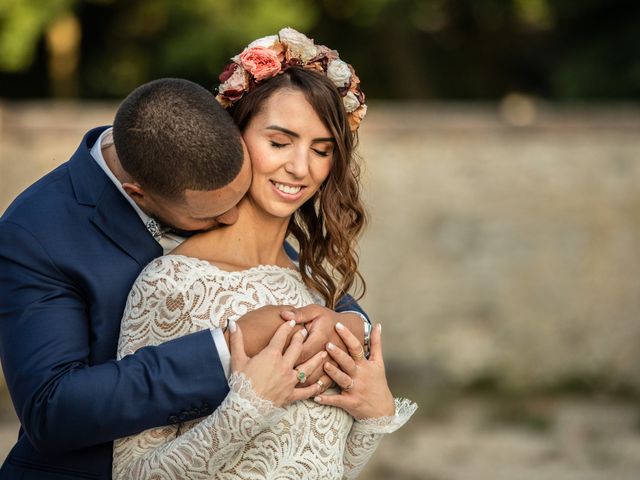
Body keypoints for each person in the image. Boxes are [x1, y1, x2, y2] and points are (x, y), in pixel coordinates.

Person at [0, 77, 368, 479]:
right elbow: (51, 410)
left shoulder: (194, 141)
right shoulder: (36, 234)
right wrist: (227, 347)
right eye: (209, 217)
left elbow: (276, 272)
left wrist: (351, 324)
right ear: (137, 193)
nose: (231, 219)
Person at [112, 28, 416, 479]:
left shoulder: (316, 290)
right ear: (234, 137)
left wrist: (372, 416)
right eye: (279, 142)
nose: (300, 167)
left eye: (321, 150)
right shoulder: (172, 284)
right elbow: (133, 473)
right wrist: (249, 407)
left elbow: (323, 464)